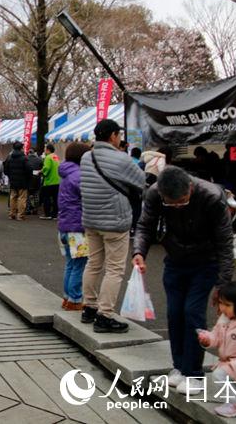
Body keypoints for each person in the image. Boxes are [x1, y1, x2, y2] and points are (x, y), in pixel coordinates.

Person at [133, 165, 234, 392]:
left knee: (192, 312)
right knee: (174, 313)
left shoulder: (212, 196)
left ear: (190, 187)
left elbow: (225, 243)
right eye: (172, 202)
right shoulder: (154, 193)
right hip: (175, 260)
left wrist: (223, 285)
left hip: (206, 262)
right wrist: (139, 252)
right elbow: (145, 226)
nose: (177, 205)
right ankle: (179, 366)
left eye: (182, 200)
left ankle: (194, 373)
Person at [80, 118, 146, 333]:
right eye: (119, 135)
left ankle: (88, 307)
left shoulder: (86, 157)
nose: (120, 139)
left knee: (93, 263)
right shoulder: (121, 159)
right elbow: (141, 182)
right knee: (115, 269)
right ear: (112, 136)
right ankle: (104, 315)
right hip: (115, 221)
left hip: (91, 218)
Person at [198, 282, 236, 418]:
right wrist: (208, 339)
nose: (222, 308)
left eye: (227, 305)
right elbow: (216, 335)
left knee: (219, 375)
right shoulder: (225, 319)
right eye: (221, 303)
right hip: (234, 367)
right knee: (230, 384)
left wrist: (232, 366)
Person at [57, 142, 92, 311]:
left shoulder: (67, 174)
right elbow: (89, 198)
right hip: (77, 227)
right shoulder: (79, 175)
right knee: (79, 265)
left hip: (65, 225)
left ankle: (67, 297)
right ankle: (75, 299)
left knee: (71, 264)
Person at [4, 142, 31, 220]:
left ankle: (12, 214)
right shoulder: (24, 158)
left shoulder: (9, 157)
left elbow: (5, 170)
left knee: (13, 197)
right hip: (23, 181)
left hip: (13, 180)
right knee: (22, 198)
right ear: (21, 148)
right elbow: (29, 170)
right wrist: (28, 178)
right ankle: (20, 215)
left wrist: (10, 176)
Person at [40, 143, 61, 220]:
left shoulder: (48, 157)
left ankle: (47, 214)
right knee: (55, 199)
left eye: (45, 149)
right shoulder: (56, 156)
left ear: (48, 150)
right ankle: (55, 215)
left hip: (49, 181)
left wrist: (41, 172)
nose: (44, 151)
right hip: (57, 181)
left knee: (47, 198)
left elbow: (46, 168)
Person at [26, 149, 44, 216]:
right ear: (34, 153)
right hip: (37, 180)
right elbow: (43, 169)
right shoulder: (39, 159)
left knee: (27, 196)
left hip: (28, 180)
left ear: (28, 153)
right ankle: (35, 209)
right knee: (36, 195)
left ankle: (27, 209)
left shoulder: (26, 159)